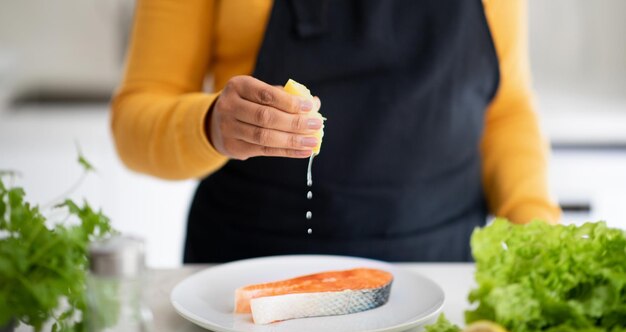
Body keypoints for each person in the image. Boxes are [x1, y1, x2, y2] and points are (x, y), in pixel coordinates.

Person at [111, 0, 561, 263]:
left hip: (439, 266)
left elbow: (505, 110)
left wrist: (537, 229)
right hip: (252, 273)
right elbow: (135, 119)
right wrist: (211, 124)